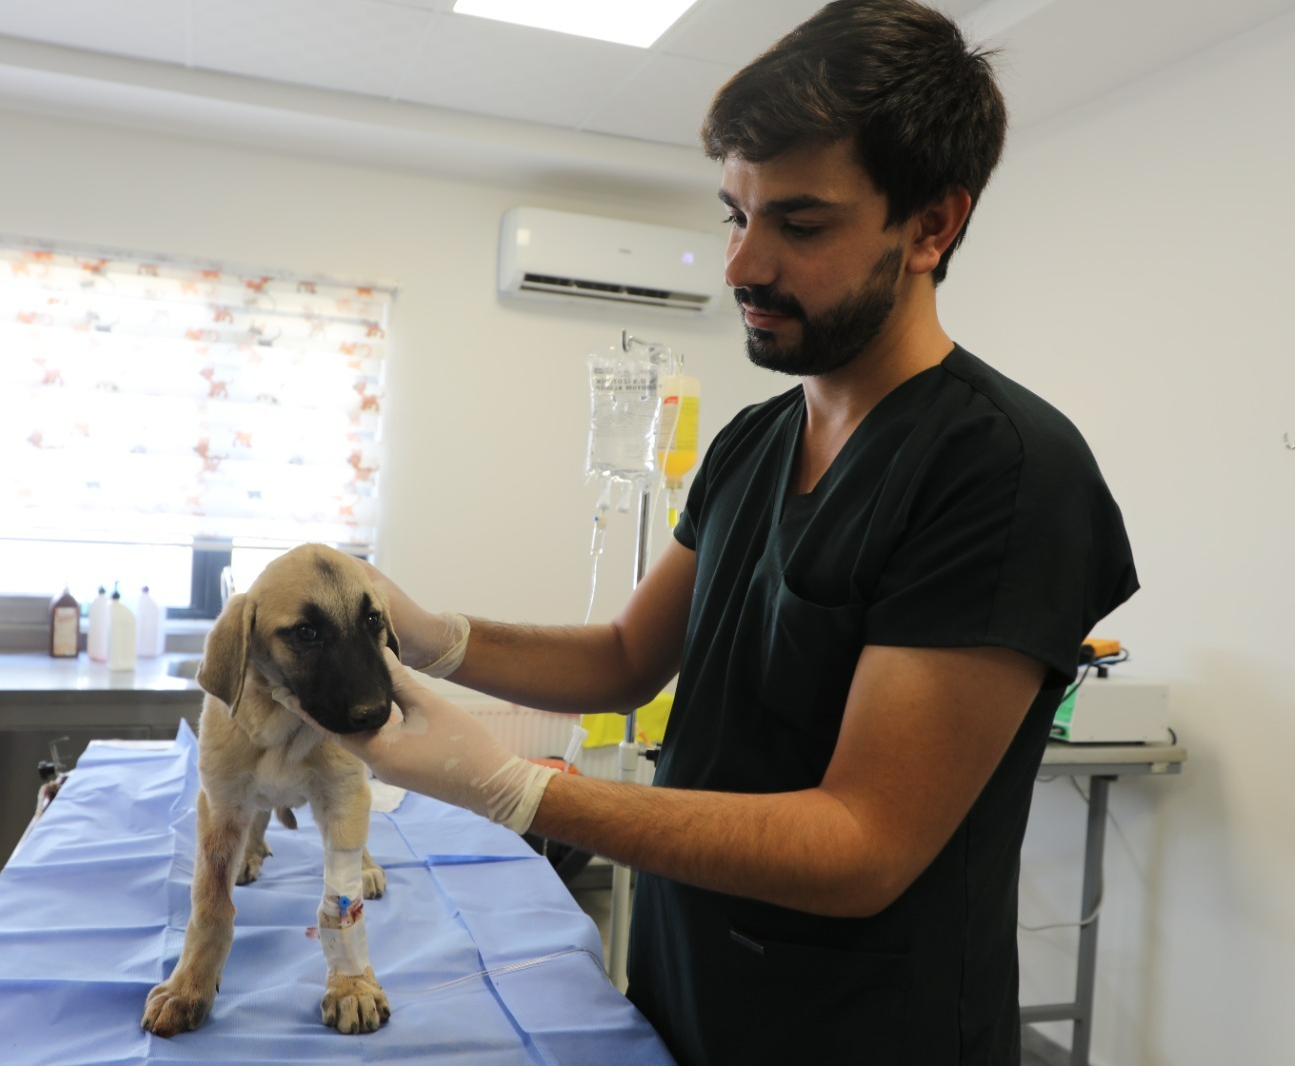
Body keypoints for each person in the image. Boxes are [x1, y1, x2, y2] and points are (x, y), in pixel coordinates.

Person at [279, 1, 1137, 1062]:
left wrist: (519, 789)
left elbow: (860, 842)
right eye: (735, 213)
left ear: (930, 227)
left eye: (800, 223)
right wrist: (429, 634)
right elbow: (628, 658)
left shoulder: (1001, 470)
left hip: (857, 1031)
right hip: (688, 987)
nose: (739, 264)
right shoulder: (752, 440)